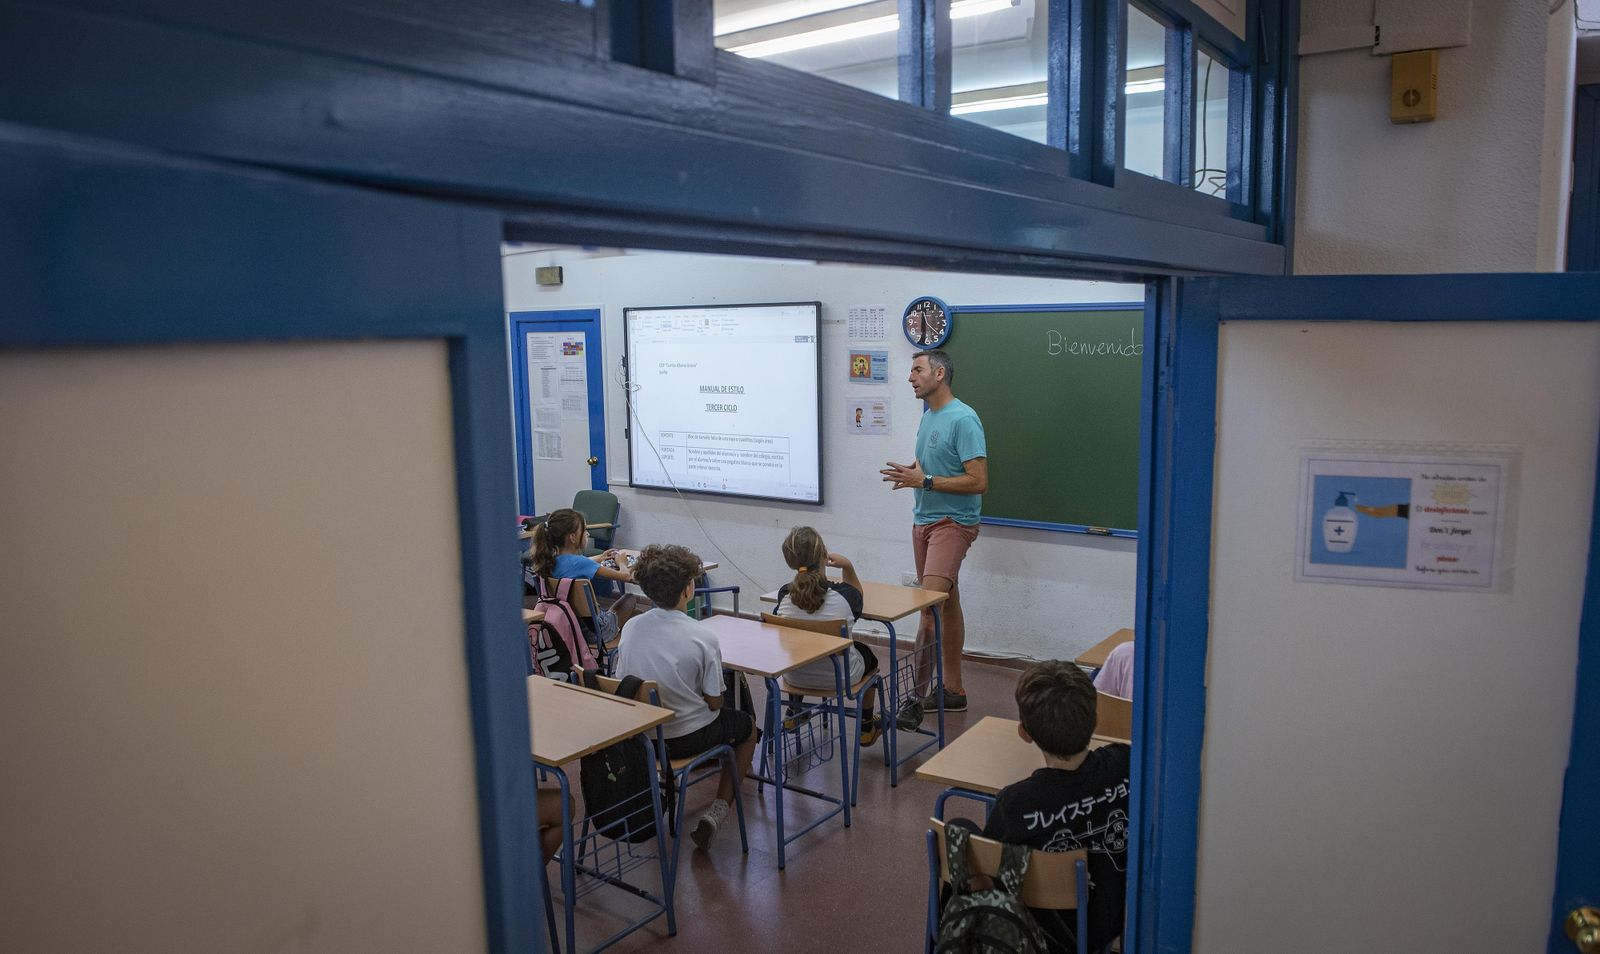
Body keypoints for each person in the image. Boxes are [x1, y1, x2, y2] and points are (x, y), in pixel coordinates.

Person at [979, 661, 1130, 954]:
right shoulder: (1126, 763)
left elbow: (991, 872)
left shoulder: (1014, 804)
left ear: (1024, 733)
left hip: (1039, 935)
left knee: (965, 830)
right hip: (1113, 924)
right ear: (1096, 719)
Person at [613, 543, 756, 849]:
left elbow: (621, 681)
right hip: (683, 739)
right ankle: (718, 809)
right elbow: (715, 702)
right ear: (688, 589)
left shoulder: (631, 628)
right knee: (746, 727)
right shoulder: (702, 635)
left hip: (640, 741)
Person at [880, 349, 987, 720]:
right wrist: (914, 472)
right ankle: (954, 689)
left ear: (939, 374)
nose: (910, 376)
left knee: (928, 610)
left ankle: (914, 700)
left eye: (917, 369)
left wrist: (923, 479)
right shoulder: (928, 418)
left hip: (952, 524)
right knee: (947, 603)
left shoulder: (964, 419)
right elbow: (935, 467)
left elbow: (979, 481)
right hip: (923, 521)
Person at [770, 526, 883, 746]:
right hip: (842, 678)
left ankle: (795, 711)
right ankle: (866, 727)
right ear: (823, 555)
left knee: (801, 647)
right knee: (869, 656)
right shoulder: (845, 596)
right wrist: (848, 566)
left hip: (793, 677)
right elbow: (858, 593)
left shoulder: (784, 596)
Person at [525, 508, 641, 649]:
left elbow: (578, 563)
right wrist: (621, 561)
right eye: (584, 530)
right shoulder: (581, 563)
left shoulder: (548, 561)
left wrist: (601, 557)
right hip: (596, 632)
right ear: (573, 537)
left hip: (567, 625)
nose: (588, 534)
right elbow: (625, 576)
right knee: (630, 599)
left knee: (634, 616)